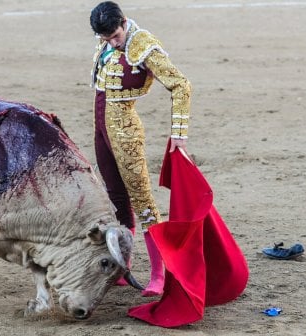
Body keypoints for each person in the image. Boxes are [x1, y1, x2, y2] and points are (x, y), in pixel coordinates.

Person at [89, 1, 192, 297]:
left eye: (115, 37)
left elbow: (181, 85)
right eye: (105, 38)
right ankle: (124, 264)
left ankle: (160, 274)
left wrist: (179, 135)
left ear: (123, 22)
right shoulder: (107, 37)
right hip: (101, 128)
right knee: (116, 197)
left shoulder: (143, 45)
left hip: (126, 132)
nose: (110, 42)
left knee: (143, 201)